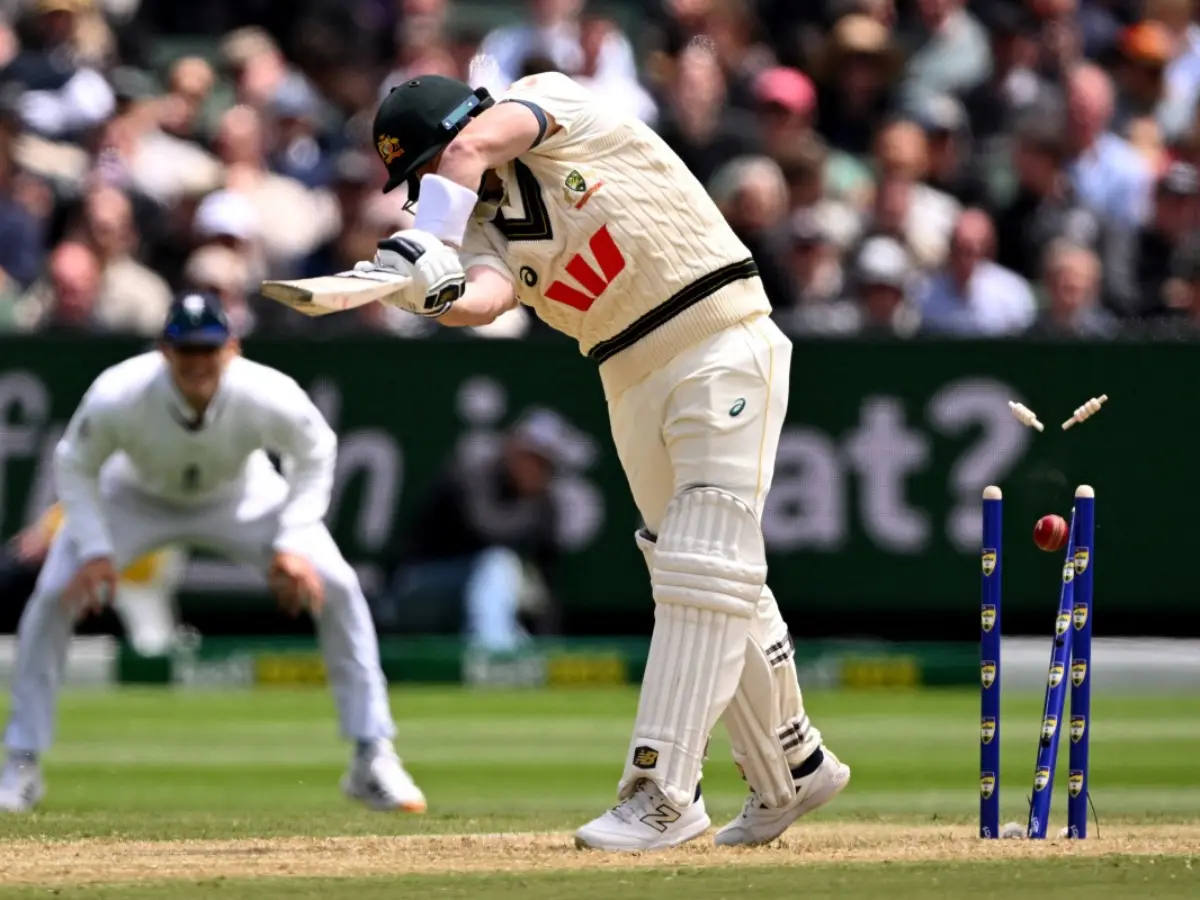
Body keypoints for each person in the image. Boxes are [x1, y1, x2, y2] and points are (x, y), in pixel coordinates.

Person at [345, 71, 850, 851]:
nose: (427, 190)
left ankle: (662, 792)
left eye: (425, 168)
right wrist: (428, 293)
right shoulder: (481, 224)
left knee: (703, 565)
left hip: (716, 333)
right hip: (627, 375)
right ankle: (794, 765)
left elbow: (475, 147)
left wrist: (430, 241)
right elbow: (488, 296)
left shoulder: (550, 102)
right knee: (702, 574)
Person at [0, 292, 425, 815]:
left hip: (240, 495)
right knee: (51, 596)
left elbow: (316, 451)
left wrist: (292, 541)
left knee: (338, 585)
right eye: (187, 350)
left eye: (209, 349)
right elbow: (75, 465)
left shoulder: (266, 391)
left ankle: (372, 755)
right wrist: (93, 549)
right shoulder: (119, 393)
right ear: (164, 351)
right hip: (132, 497)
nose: (198, 362)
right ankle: (21, 762)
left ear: (232, 349)